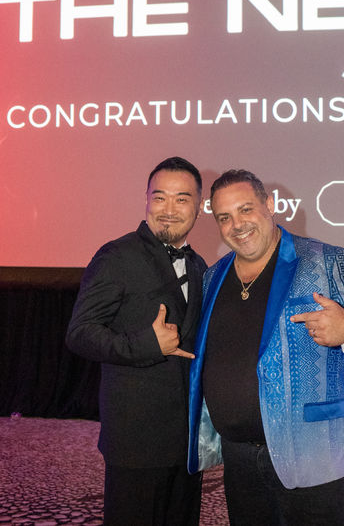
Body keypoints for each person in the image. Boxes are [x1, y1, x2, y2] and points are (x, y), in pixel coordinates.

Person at [187, 169, 344, 525]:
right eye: (224, 217)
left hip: (311, 447)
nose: (237, 224)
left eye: (246, 209)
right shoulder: (213, 275)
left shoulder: (327, 260)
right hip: (238, 453)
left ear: (269, 205)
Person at [66, 156, 206, 526]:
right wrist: (146, 344)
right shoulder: (118, 256)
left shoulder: (199, 266)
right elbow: (80, 332)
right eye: (160, 197)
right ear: (146, 200)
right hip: (136, 439)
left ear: (199, 206)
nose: (169, 209)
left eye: (182, 199)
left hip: (187, 440)